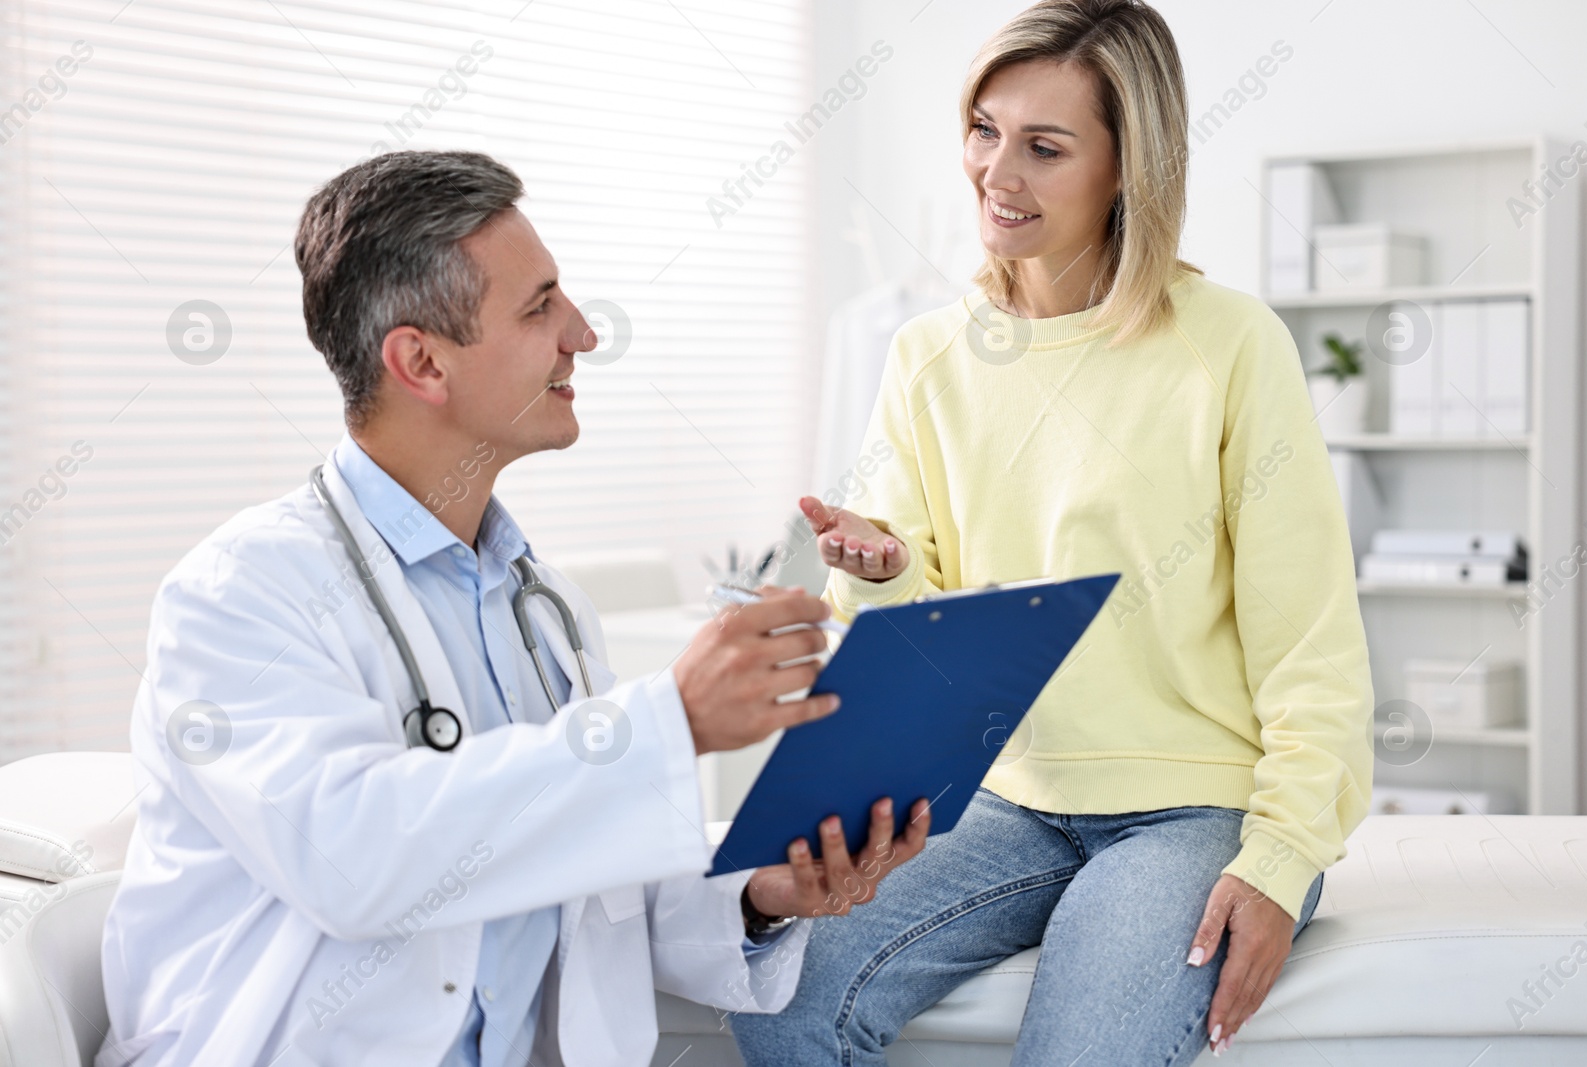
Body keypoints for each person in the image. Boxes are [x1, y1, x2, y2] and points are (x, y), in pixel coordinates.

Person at [96, 149, 929, 1067]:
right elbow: (355, 857)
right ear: (420, 361)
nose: (583, 332)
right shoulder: (241, 595)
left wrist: (756, 892)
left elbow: (590, 874)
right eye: (539, 307)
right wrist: (669, 719)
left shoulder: (545, 609)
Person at [732, 1, 1373, 1063]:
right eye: (983, 130)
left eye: (1044, 146)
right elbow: (920, 640)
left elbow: (1311, 640)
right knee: (777, 998)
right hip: (1003, 796)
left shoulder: (1226, 345)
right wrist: (883, 575)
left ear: (1128, 165)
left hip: (1191, 809)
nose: (997, 172)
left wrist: (1282, 855)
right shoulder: (928, 357)